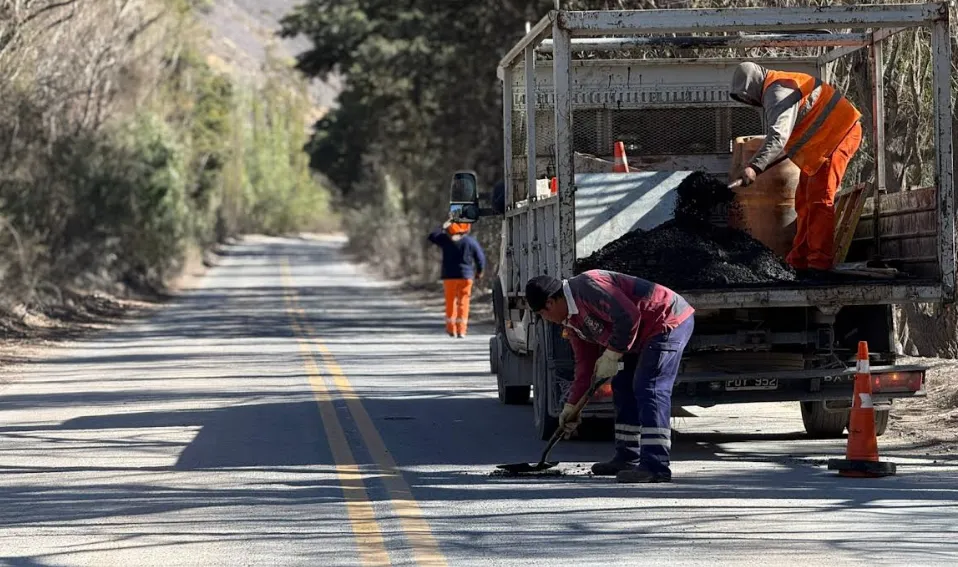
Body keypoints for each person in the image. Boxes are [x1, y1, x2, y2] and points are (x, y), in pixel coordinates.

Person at [525, 270, 694, 483]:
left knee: (649, 387)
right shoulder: (573, 321)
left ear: (550, 303)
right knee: (622, 387)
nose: (546, 319)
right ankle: (627, 458)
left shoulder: (587, 287)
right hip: (638, 335)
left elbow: (628, 316)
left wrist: (612, 354)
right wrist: (572, 406)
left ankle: (655, 465)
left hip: (665, 320)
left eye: (542, 314)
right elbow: (585, 367)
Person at [729, 61, 862, 273]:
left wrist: (754, 167)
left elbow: (778, 137)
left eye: (747, 96)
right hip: (821, 142)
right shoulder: (777, 87)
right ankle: (799, 260)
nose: (749, 100)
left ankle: (819, 264)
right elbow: (790, 136)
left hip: (838, 134)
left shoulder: (779, 91)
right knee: (803, 201)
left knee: (820, 200)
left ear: (753, 85)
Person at [428, 219, 486, 338]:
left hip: (449, 277)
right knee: (463, 302)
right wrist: (479, 272)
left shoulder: (445, 240)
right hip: (466, 276)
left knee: (451, 302)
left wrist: (443, 226)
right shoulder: (470, 242)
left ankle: (451, 329)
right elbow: (480, 258)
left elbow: (432, 236)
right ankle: (462, 331)